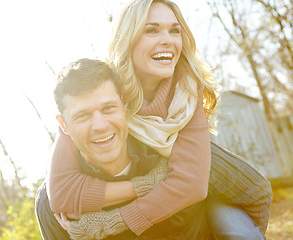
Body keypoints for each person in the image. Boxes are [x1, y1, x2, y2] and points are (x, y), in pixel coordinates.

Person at [39, 0, 272, 239]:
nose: (168, 40)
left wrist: (112, 220)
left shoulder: (187, 94)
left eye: (174, 30)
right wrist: (147, 184)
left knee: (235, 224)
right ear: (128, 38)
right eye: (151, 30)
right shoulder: (101, 89)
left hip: (229, 191)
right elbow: (59, 194)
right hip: (167, 195)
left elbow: (193, 184)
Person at [36, 58, 212, 239]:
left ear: (124, 105)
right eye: (82, 116)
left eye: (108, 108)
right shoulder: (55, 209)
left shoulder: (178, 158)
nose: (100, 125)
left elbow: (238, 189)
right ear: (64, 125)